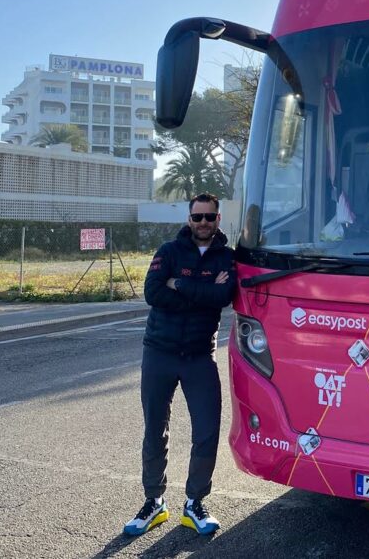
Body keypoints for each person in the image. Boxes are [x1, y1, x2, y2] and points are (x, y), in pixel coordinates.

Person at [123, 192, 236, 537]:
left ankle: (195, 503)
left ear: (218, 219)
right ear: (189, 219)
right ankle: (154, 502)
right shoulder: (168, 251)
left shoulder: (227, 258)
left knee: (207, 431)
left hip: (200, 355)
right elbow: (154, 293)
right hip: (159, 352)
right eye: (197, 216)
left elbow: (224, 297)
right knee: (154, 429)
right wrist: (203, 290)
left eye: (209, 217)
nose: (203, 222)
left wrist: (181, 284)